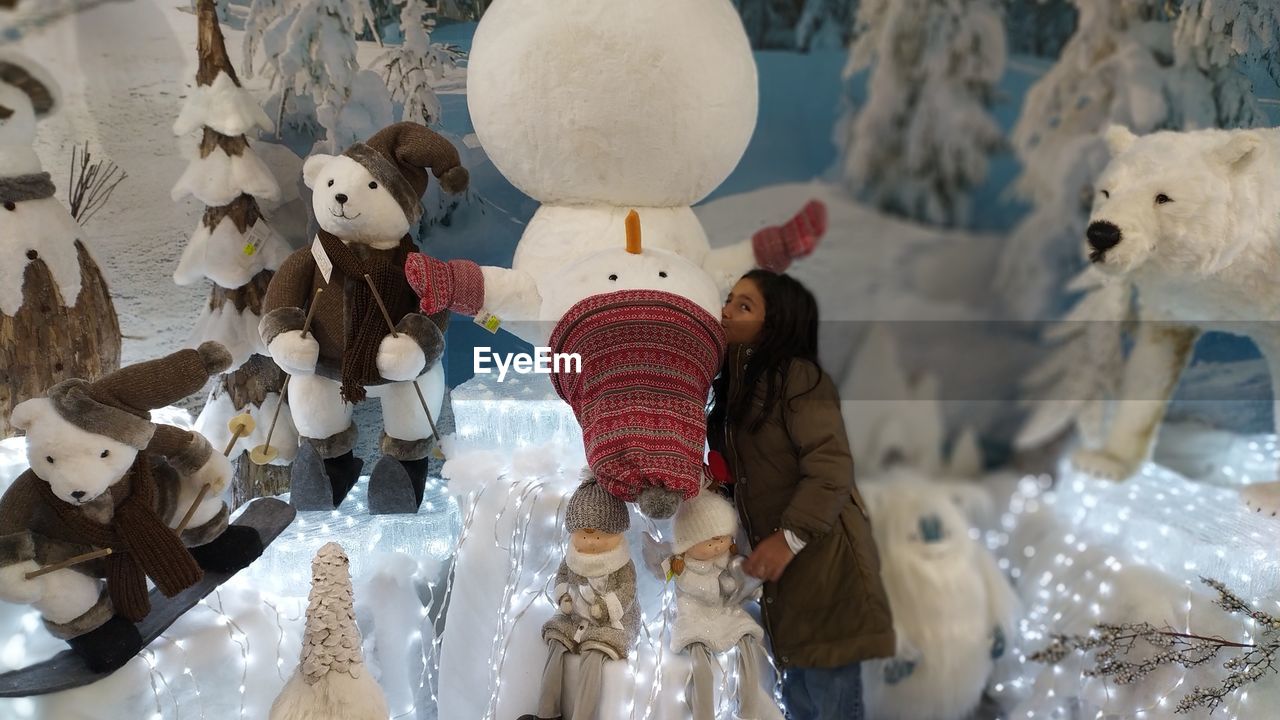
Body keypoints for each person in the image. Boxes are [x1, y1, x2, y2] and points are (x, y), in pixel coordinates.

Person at [707, 269, 894, 720]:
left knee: (830, 704)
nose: (726, 311)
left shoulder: (799, 378)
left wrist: (787, 539)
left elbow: (830, 470)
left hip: (829, 570)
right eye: (729, 300)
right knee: (802, 705)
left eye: (744, 306)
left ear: (776, 325)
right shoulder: (734, 393)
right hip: (785, 581)